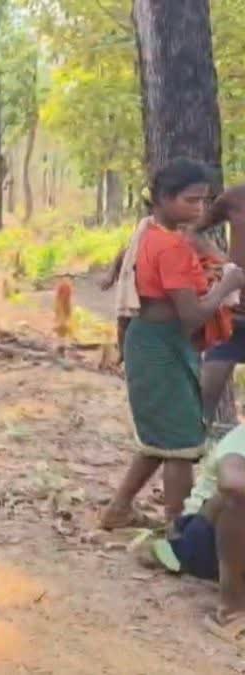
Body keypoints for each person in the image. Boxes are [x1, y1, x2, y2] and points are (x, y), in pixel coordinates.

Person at [101, 159, 245, 532]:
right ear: (164, 198)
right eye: (192, 201)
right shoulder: (171, 248)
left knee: (161, 438)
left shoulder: (151, 231)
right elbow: (193, 316)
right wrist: (225, 286)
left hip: (155, 342)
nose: (199, 209)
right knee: (181, 442)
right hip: (162, 346)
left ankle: (119, 509)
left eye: (203, 201)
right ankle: (177, 529)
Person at [138, 424, 245, 644]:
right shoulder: (240, 440)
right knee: (235, 498)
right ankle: (231, 610)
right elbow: (232, 484)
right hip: (206, 538)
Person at [197, 185, 245, 436]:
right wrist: (218, 259)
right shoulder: (235, 198)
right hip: (233, 317)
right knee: (203, 401)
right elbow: (191, 231)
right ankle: (191, 454)